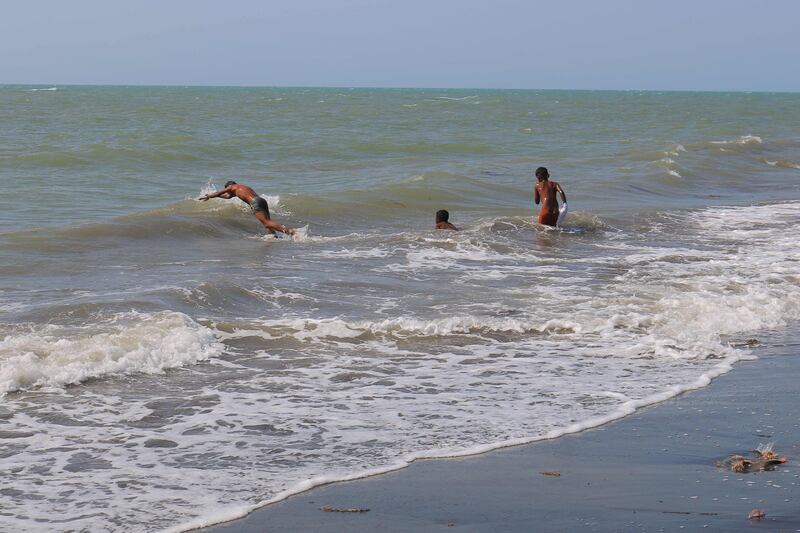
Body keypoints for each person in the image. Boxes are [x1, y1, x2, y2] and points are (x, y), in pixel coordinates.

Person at [199, 181, 296, 237]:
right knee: (267, 223)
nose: (229, 193)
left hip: (254, 202)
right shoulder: (241, 187)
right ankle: (273, 236)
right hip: (261, 200)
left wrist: (209, 196)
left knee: (266, 223)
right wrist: (217, 196)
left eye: (228, 190)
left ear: (229, 186)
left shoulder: (232, 186)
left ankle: (291, 232)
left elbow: (219, 192)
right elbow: (227, 196)